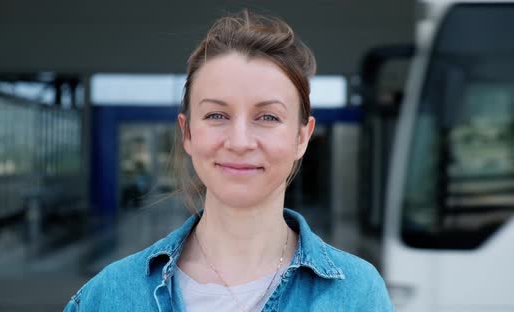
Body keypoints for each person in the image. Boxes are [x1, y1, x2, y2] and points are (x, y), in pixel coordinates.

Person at [64, 10, 394, 312]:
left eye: (267, 117)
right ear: (188, 133)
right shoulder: (108, 296)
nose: (239, 142)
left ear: (301, 137)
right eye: (217, 114)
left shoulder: (356, 295)